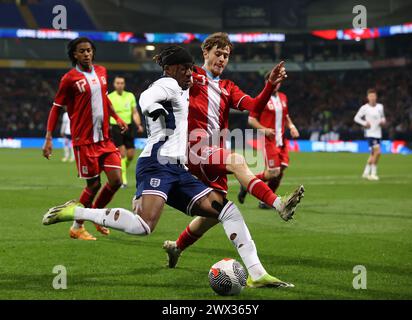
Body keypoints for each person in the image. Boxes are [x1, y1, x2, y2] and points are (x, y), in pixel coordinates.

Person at [42, 45, 293, 288]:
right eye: (184, 69)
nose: (189, 74)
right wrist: (155, 108)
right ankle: (78, 212)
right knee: (144, 227)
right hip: (156, 164)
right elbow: (147, 97)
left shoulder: (187, 86)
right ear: (171, 69)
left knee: (226, 211)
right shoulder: (168, 83)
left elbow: (238, 100)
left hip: (179, 169)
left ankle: (257, 274)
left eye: (190, 69)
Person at [163, 32, 304, 269]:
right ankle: (278, 204)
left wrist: (269, 84)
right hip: (194, 149)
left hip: (214, 150)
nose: (222, 59)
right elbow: (170, 78)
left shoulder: (228, 87)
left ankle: (177, 247)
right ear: (205, 52)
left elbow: (254, 106)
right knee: (238, 160)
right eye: (218, 53)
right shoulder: (192, 76)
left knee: (213, 213)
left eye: (226, 56)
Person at [42, 37, 128, 240]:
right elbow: (56, 108)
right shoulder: (69, 79)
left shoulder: (102, 72)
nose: (87, 54)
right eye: (82, 51)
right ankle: (77, 227)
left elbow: (104, 99)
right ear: (75, 54)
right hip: (85, 140)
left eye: (89, 50)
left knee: (116, 181)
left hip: (105, 139)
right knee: (94, 185)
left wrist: (116, 117)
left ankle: (96, 217)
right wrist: (48, 138)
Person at [238, 71, 300, 208]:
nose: (276, 84)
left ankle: (265, 201)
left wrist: (292, 126)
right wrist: (264, 130)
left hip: (282, 140)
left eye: (279, 81)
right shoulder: (262, 99)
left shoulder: (283, 97)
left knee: (280, 170)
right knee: (273, 172)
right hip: (268, 140)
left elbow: (286, 115)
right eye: (273, 81)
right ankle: (246, 183)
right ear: (267, 82)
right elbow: (251, 120)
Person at [108, 76, 144, 188]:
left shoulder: (130, 96)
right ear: (114, 84)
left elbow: (135, 112)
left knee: (130, 155)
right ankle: (123, 180)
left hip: (129, 126)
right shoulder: (110, 97)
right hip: (115, 126)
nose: (120, 85)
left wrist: (138, 124)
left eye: (122, 83)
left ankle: (121, 170)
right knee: (122, 153)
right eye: (117, 83)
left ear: (124, 84)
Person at [353, 88, 386, 181]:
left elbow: (383, 117)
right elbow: (356, 118)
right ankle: (373, 173)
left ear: (376, 97)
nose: (372, 98)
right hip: (370, 134)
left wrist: (383, 122)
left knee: (373, 154)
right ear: (367, 97)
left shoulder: (380, 107)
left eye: (374, 96)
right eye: (370, 96)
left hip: (378, 133)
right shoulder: (364, 108)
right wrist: (364, 123)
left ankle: (365, 172)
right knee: (378, 152)